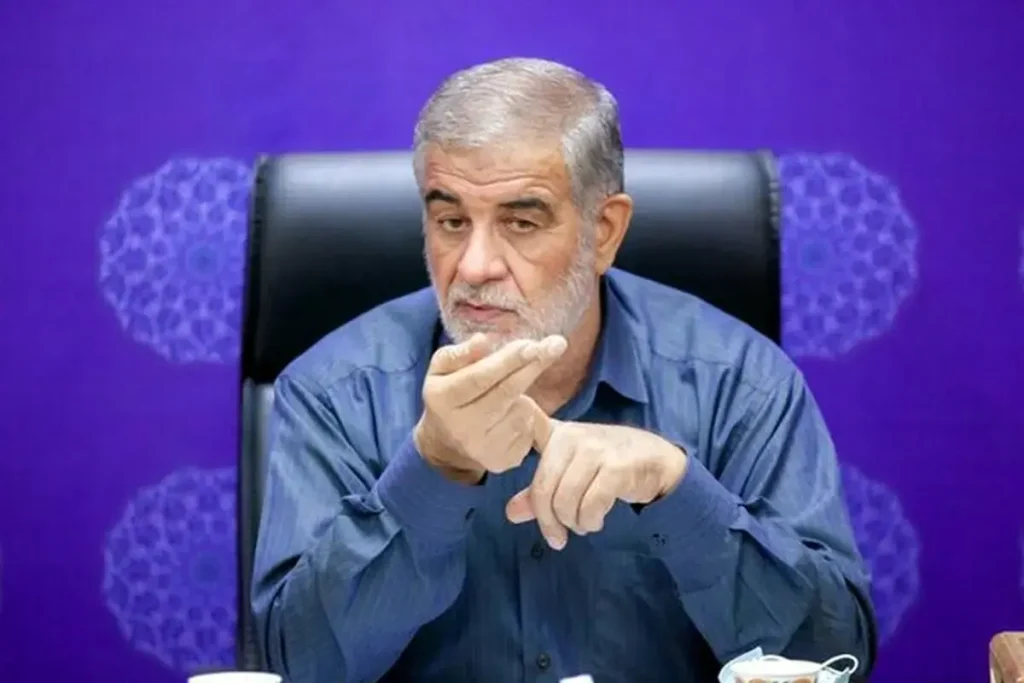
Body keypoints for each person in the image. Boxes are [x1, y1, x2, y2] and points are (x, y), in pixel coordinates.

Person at [251, 57, 877, 683]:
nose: (473, 267)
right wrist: (435, 468)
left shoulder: (739, 382)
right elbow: (299, 666)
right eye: (451, 222)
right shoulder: (335, 390)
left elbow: (831, 656)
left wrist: (676, 490)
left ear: (604, 232)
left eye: (521, 223)